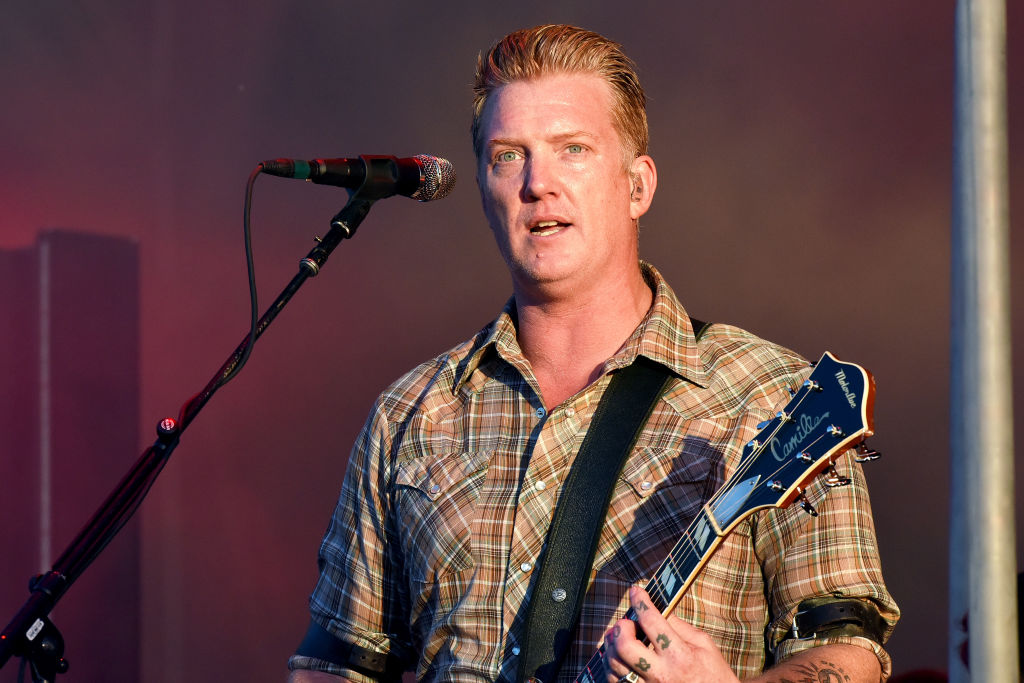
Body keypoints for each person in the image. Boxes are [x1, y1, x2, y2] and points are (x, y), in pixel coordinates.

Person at [287, 24, 899, 683]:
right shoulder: (412, 413)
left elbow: (849, 654)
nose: (537, 182)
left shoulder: (773, 396)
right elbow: (334, 662)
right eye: (507, 156)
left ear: (637, 186)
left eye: (571, 149)